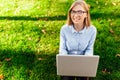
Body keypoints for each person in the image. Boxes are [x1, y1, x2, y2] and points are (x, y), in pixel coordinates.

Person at [59, 0, 97, 80]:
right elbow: (62, 48)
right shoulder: (64, 29)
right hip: (68, 61)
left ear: (86, 14)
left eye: (80, 12)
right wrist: (66, 61)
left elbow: (89, 48)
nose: (76, 15)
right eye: (73, 12)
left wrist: (85, 62)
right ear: (70, 13)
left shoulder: (92, 30)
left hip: (84, 61)